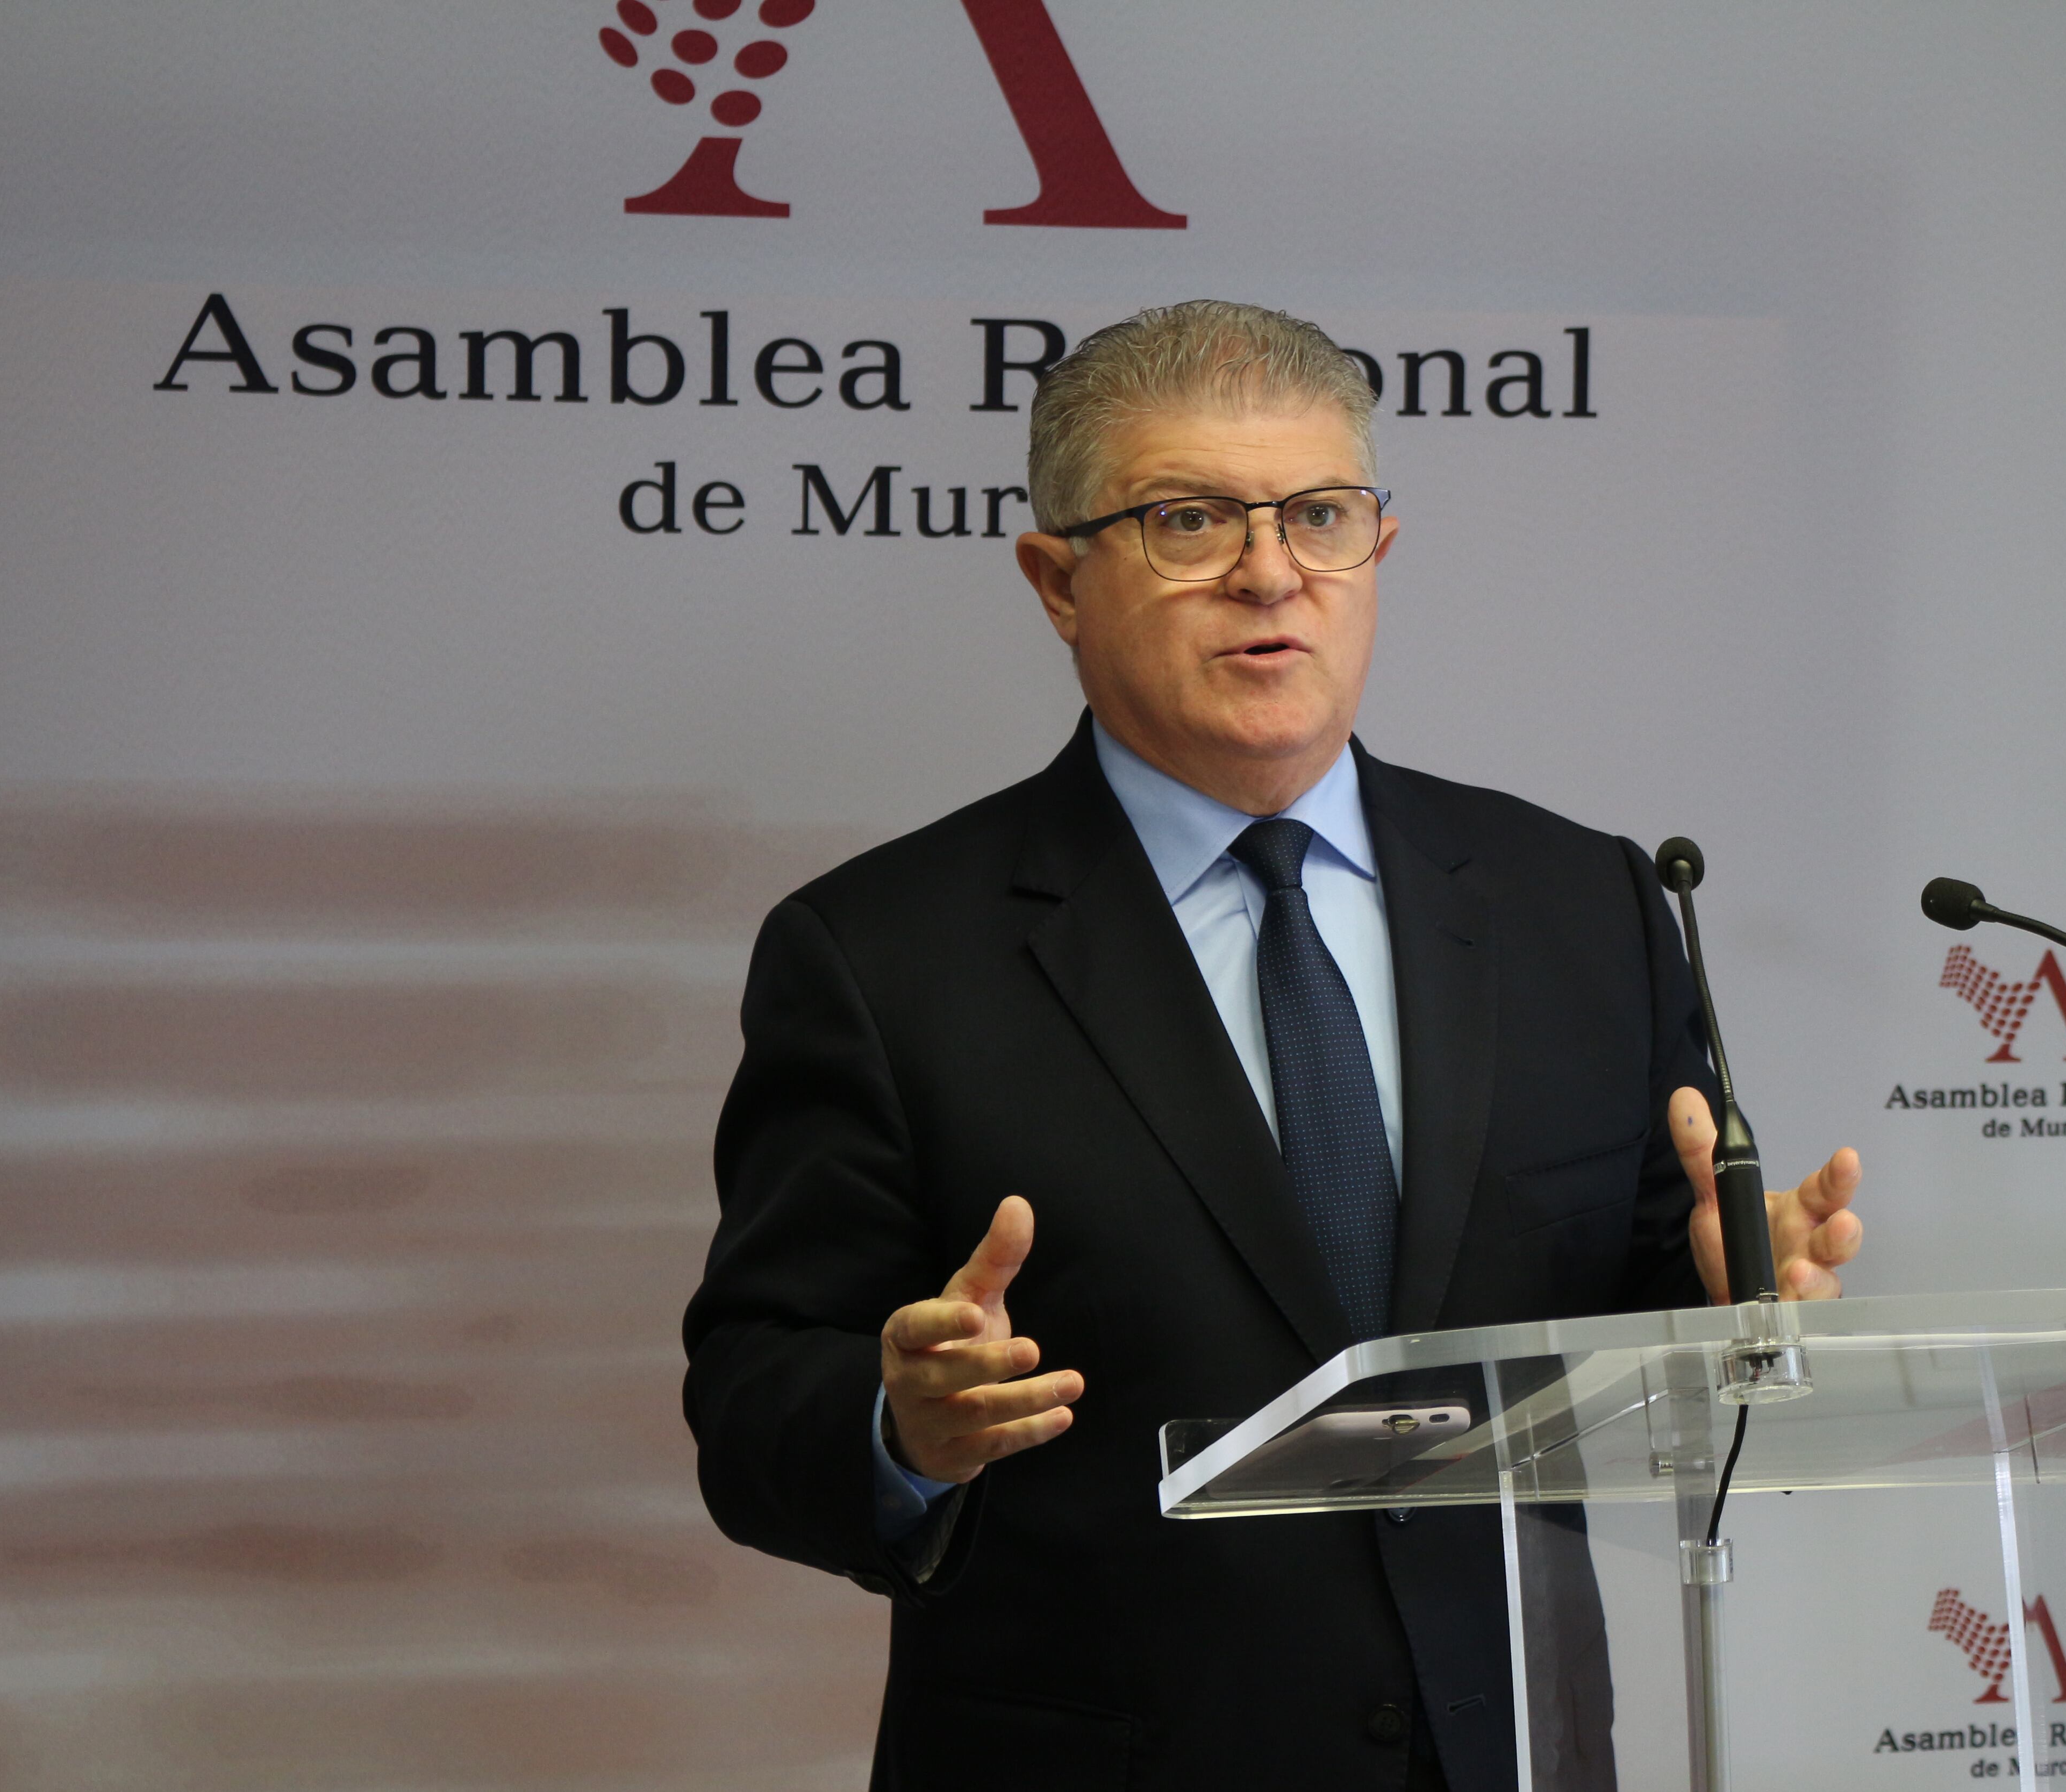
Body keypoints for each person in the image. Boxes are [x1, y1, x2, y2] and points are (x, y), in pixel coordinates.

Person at [683, 301, 1863, 1792]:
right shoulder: (882, 954)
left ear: (1379, 550)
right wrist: (901, 1424)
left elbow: (1607, 1324)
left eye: (1320, 514)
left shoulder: (1581, 904)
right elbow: (750, 1402)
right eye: (1189, 519)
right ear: (1057, 580)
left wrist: (1709, 1289)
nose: (1270, 571)